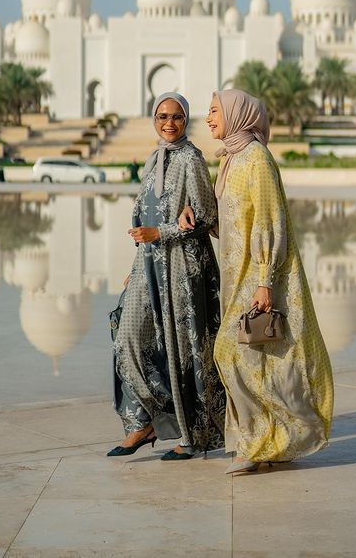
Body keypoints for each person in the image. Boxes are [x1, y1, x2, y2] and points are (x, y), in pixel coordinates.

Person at [180, 89, 333, 474]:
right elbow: (231, 223)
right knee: (252, 359)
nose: (209, 118)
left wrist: (265, 280)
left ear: (236, 115)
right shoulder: (232, 159)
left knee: (232, 352)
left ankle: (264, 440)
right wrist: (198, 219)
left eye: (214, 111)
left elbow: (269, 221)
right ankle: (263, 442)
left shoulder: (257, 160)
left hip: (259, 276)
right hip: (237, 275)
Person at [108, 92, 225, 461]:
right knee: (127, 337)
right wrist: (134, 268)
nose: (169, 123)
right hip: (148, 267)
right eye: (162, 116)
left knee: (181, 351)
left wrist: (164, 233)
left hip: (182, 271)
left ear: (186, 120)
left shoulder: (191, 159)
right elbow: (145, 218)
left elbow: (207, 218)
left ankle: (189, 435)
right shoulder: (153, 159)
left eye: (176, 117)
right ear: (153, 119)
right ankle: (144, 423)